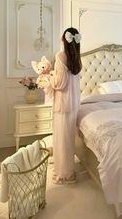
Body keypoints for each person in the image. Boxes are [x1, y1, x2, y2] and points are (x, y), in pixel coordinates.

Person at [44, 27, 82, 184]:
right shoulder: (77, 59)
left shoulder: (60, 56)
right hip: (73, 104)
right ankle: (68, 169)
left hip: (62, 103)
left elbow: (60, 83)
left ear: (64, 40)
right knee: (68, 138)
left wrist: (48, 79)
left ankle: (63, 174)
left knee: (61, 138)